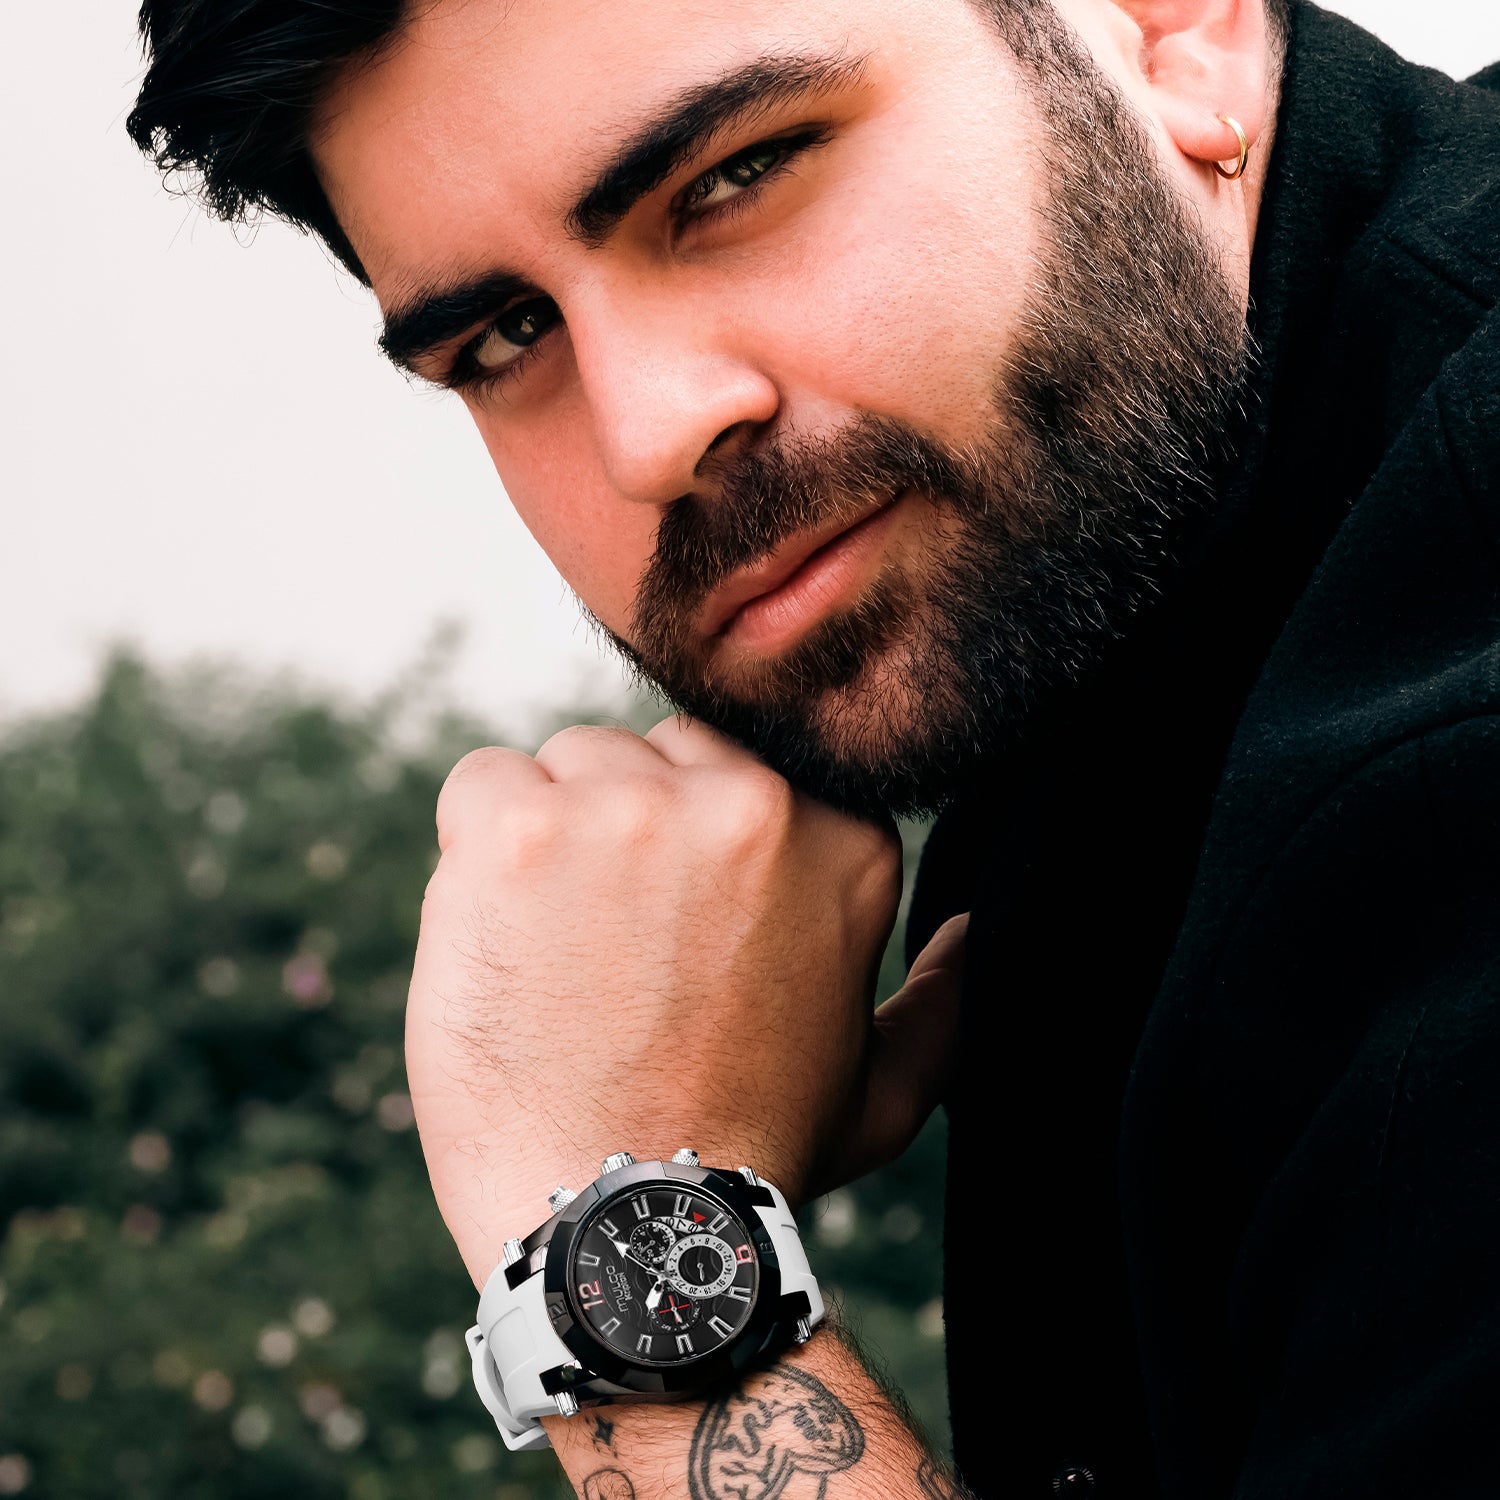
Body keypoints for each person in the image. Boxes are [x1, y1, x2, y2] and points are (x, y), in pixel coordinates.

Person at [128, 0, 1499, 1494]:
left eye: (735, 175)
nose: (649, 437)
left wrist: (629, 1215)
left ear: (1167, 30)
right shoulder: (1106, 606)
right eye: (509, 335)